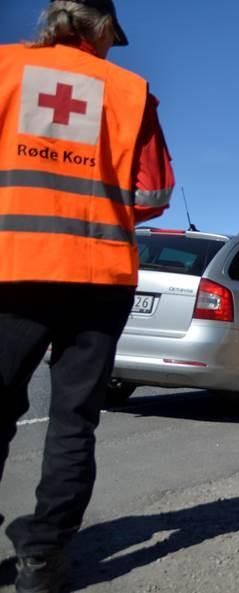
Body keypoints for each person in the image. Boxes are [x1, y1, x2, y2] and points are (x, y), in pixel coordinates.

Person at [0, 1, 174, 591]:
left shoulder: (6, 69)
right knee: (73, 420)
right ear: (100, 28)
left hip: (13, 265)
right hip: (98, 275)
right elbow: (153, 194)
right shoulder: (130, 93)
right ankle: (43, 558)